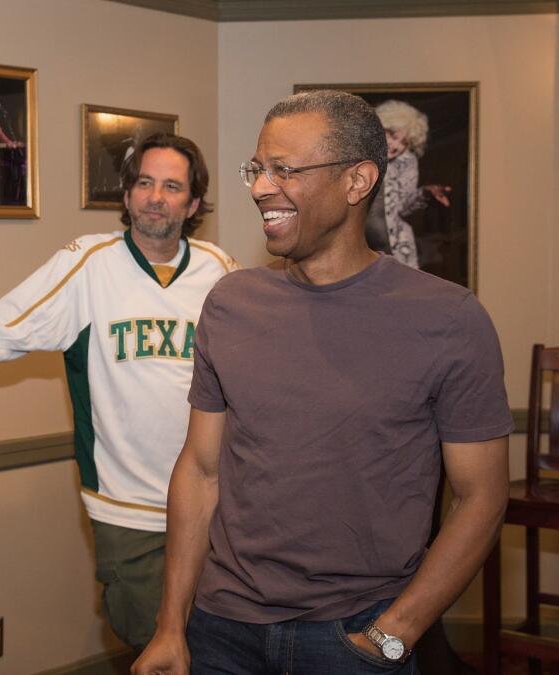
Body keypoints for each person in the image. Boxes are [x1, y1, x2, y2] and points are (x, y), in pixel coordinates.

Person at [133, 90, 511, 675]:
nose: (260, 187)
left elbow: (481, 497)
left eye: (284, 170)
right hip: (220, 630)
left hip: (357, 633)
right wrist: (170, 626)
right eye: (257, 169)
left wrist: (392, 637)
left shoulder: (449, 319)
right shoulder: (231, 303)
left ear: (358, 181)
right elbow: (202, 469)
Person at [0, 133, 238, 653]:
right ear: (126, 196)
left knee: (222, 651)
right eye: (144, 183)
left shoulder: (221, 271)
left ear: (193, 204)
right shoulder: (90, 264)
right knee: (153, 647)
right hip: (130, 511)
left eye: (172, 186)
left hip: (218, 508)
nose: (155, 196)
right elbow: (0, 331)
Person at [371, 99, 452, 269]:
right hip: (359, 251)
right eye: (393, 136)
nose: (396, 146)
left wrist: (425, 193)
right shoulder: (356, 154)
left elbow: (404, 207)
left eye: (404, 142)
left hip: (395, 249)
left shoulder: (406, 162)